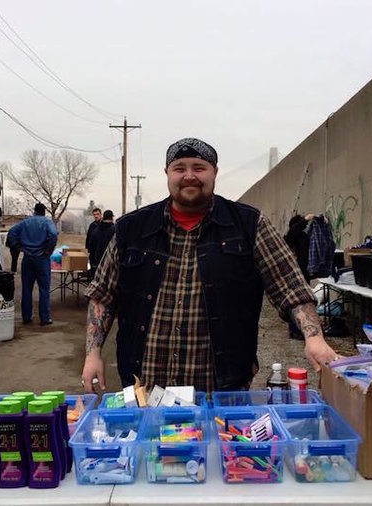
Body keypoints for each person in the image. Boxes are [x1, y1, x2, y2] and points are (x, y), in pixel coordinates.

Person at [80, 137, 338, 393]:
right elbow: (102, 296)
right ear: (167, 173)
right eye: (180, 168)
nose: (189, 176)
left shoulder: (249, 225)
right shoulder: (131, 228)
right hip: (145, 390)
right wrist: (93, 354)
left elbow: (290, 285)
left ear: (215, 172)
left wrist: (313, 336)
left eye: (199, 167)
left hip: (221, 392)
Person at [7, 203, 58, 325]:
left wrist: (18, 246)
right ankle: (44, 318)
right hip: (42, 259)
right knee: (44, 289)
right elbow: (53, 235)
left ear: (34, 211)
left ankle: (26, 317)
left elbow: (12, 232)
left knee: (26, 289)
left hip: (28, 258)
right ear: (44, 212)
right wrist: (48, 250)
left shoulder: (25, 222)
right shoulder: (47, 222)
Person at [89, 210, 115, 275]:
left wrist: (92, 262)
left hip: (98, 260)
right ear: (112, 218)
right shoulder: (115, 230)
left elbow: (90, 246)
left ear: (103, 217)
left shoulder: (96, 230)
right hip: (111, 261)